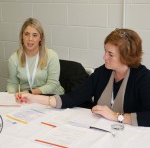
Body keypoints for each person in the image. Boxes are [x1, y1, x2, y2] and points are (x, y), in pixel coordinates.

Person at [16, 28, 150, 127]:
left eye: (110, 54)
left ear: (126, 56)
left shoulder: (143, 78)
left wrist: (116, 116)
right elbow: (73, 98)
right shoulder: (102, 73)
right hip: (101, 131)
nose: (104, 57)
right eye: (105, 51)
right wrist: (34, 98)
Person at [7, 18, 64, 95]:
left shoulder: (52, 56)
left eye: (35, 35)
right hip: (27, 99)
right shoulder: (14, 58)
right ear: (22, 36)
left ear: (40, 38)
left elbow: (52, 84)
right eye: (26, 34)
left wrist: (30, 93)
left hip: (51, 97)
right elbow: (12, 84)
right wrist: (12, 97)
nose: (30, 39)